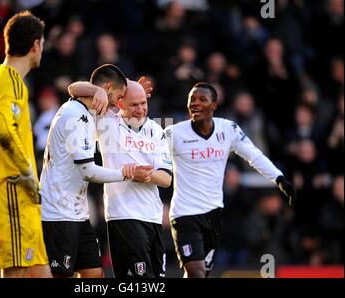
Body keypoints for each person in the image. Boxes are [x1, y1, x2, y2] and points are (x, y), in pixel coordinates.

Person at [164, 82, 296, 278]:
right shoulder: (173, 133)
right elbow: (150, 158)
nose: (195, 104)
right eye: (192, 99)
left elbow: (254, 156)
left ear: (214, 105)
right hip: (184, 215)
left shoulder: (228, 129)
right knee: (196, 273)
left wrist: (279, 178)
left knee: (202, 274)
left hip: (214, 213)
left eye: (202, 99)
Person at [0, 11, 53, 278]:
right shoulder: (12, 84)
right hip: (13, 190)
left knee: (40, 270)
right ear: (36, 45)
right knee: (16, 272)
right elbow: (4, 131)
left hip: (16, 194)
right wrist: (27, 173)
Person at [40, 64, 138, 278]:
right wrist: (126, 173)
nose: (116, 105)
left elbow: (73, 88)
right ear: (107, 87)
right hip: (58, 213)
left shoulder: (82, 109)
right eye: (118, 97)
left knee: (94, 274)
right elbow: (88, 171)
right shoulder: (77, 117)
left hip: (77, 214)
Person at [69, 80, 172, 278]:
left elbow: (166, 178)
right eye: (134, 104)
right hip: (123, 217)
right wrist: (98, 90)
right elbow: (73, 89)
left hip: (153, 217)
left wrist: (144, 175)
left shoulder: (156, 130)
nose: (141, 109)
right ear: (120, 102)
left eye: (144, 103)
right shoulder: (107, 122)